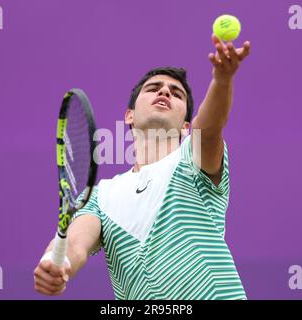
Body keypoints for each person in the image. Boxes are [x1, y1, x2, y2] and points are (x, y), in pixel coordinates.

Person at [34, 34, 251, 299]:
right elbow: (76, 242)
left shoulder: (191, 161)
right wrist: (57, 264)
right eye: (153, 88)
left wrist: (222, 80)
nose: (164, 92)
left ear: (185, 127)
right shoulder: (101, 196)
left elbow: (208, 129)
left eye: (176, 93)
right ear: (130, 116)